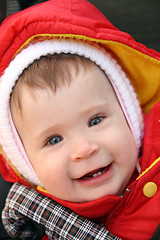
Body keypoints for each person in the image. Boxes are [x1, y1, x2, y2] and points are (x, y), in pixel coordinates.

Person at [0, 0, 160, 239]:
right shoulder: (33, 226)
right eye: (54, 139)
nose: (84, 150)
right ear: (27, 163)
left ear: (129, 116)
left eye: (96, 121)